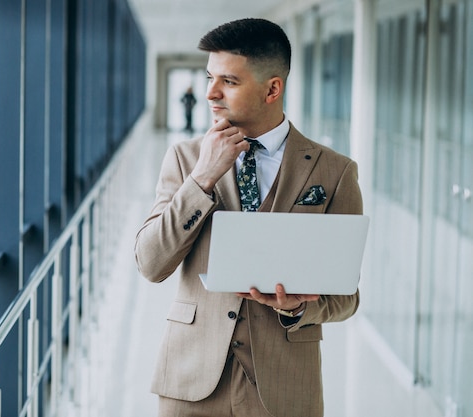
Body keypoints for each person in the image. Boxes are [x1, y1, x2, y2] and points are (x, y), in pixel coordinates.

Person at [134, 18, 363, 417]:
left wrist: (297, 308)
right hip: (191, 381)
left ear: (272, 88)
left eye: (229, 81)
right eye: (209, 77)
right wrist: (202, 179)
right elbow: (150, 264)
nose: (210, 93)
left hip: (285, 389)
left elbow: (346, 298)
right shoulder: (185, 159)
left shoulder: (335, 171)